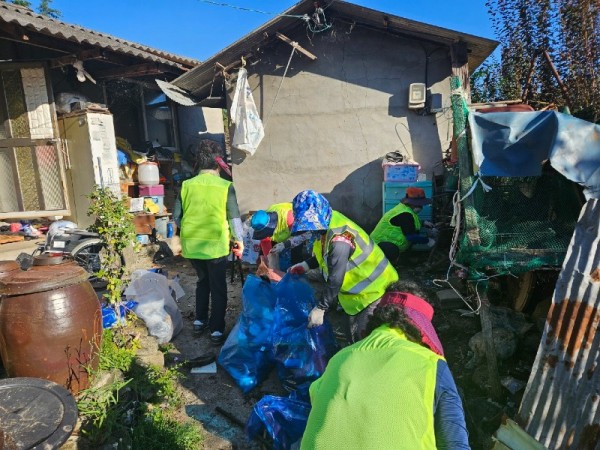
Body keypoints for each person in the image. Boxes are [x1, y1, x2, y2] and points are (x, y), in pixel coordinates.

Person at [301, 291, 470, 449]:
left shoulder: (338, 358)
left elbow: (315, 395)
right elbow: (455, 442)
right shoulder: (431, 363)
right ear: (423, 329)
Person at [287, 190, 398, 343]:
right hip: (355, 295)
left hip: (375, 289)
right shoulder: (326, 225)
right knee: (351, 335)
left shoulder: (340, 239)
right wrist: (306, 265)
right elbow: (325, 255)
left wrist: (321, 308)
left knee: (366, 338)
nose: (310, 229)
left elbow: (336, 278)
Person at [173, 140, 244, 345]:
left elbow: (177, 216)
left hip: (192, 246)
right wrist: (239, 241)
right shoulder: (225, 186)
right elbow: (234, 218)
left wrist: (189, 230)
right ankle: (216, 330)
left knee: (202, 282)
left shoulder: (186, 185)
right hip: (215, 246)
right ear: (217, 164)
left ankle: (199, 321)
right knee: (218, 286)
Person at [371, 186, 435, 264]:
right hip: (380, 246)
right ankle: (388, 264)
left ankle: (402, 260)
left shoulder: (405, 210)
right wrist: (427, 241)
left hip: (387, 244)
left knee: (409, 242)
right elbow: (411, 237)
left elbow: (410, 223)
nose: (421, 207)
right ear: (412, 203)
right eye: (419, 205)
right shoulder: (404, 214)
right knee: (395, 248)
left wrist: (424, 223)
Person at [250, 203, 311, 271]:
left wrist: (285, 244)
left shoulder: (289, 218)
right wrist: (270, 265)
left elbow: (300, 238)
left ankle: (296, 275)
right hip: (282, 235)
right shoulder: (262, 223)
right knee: (269, 257)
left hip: (295, 232)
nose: (266, 234)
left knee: (295, 257)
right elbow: (266, 244)